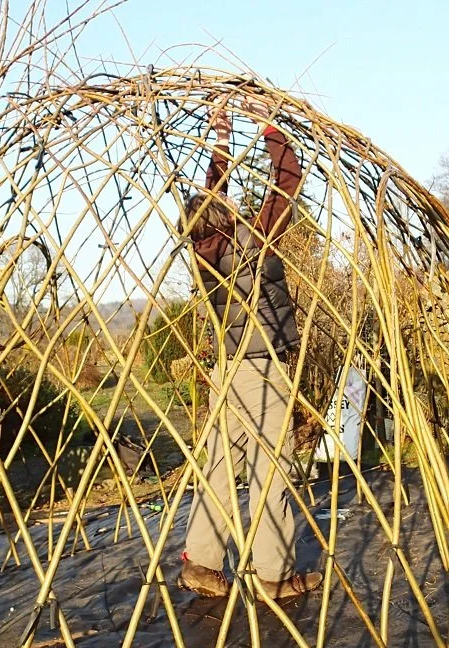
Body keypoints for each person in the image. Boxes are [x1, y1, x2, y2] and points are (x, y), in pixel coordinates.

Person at [177, 98, 322, 601]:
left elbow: (211, 190)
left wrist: (222, 135)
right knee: (270, 470)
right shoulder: (252, 243)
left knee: (218, 465)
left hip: (228, 366)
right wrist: (268, 126)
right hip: (260, 370)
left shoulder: (203, 252)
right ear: (226, 216)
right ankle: (274, 574)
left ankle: (201, 562)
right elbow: (287, 182)